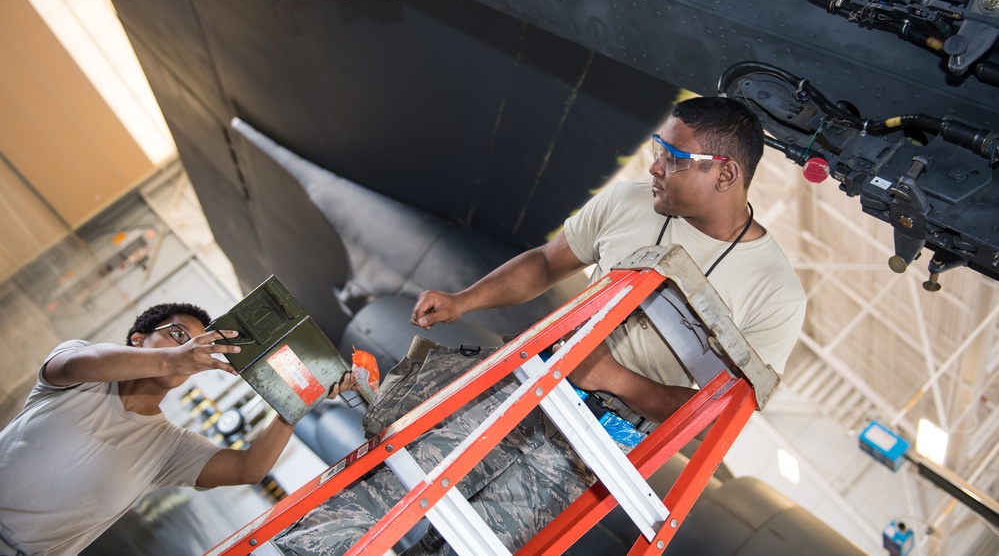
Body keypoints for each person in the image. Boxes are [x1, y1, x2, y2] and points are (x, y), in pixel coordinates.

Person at [274, 96, 806, 555]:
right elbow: (548, 263)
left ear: (724, 173)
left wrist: (610, 378)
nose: (655, 167)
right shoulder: (629, 202)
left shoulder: (774, 295)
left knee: (471, 541)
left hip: (595, 444)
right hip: (530, 383)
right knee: (390, 483)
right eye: (657, 149)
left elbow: (715, 419)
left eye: (672, 157)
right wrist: (465, 301)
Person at [0, 302, 358, 556]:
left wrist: (298, 403)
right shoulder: (80, 374)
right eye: (177, 334)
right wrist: (173, 357)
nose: (187, 348)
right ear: (138, 339)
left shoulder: (169, 447)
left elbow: (249, 469)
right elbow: (76, 365)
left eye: (197, 343)